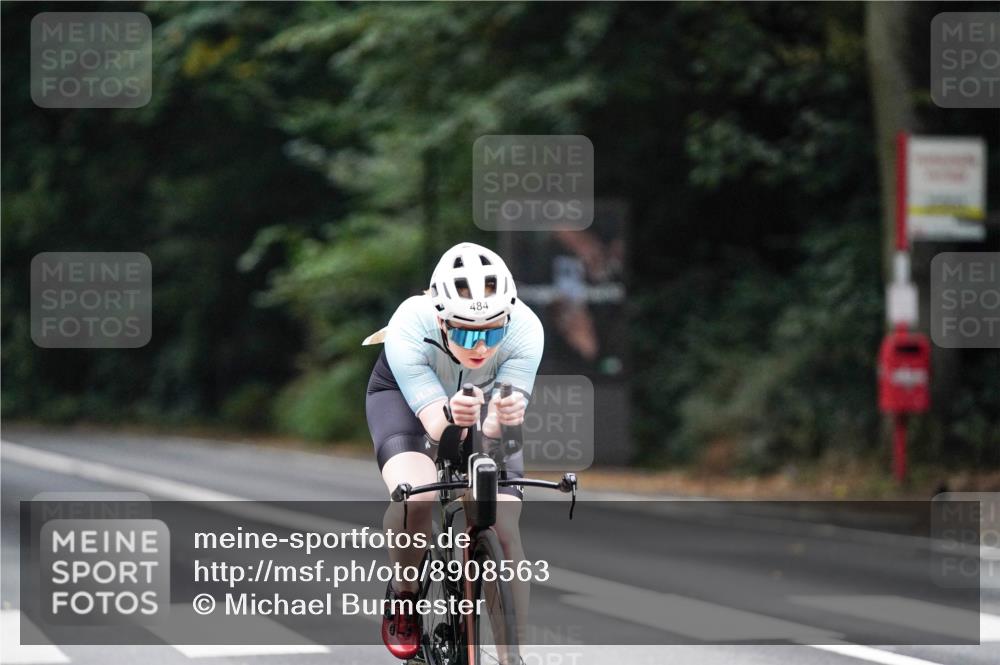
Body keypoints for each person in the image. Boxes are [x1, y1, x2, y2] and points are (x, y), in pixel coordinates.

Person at [365, 242, 544, 659]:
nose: (480, 346)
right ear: (441, 319)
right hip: (410, 401)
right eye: (465, 331)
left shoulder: (527, 328)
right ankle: (405, 595)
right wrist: (451, 414)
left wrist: (503, 417)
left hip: (479, 404)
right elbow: (435, 427)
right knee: (418, 495)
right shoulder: (411, 321)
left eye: (493, 331)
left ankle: (511, 655)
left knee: (504, 525)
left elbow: (500, 433)